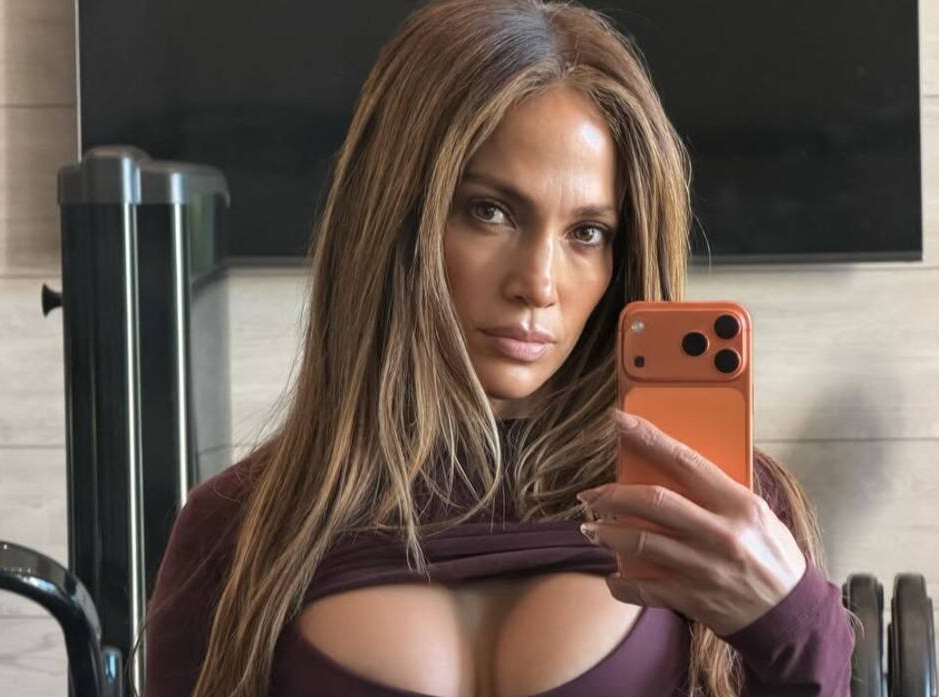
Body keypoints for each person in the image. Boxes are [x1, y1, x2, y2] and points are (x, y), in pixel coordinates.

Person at [137, 1, 857, 695]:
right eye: (490, 212)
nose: (537, 284)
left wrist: (794, 626)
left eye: (587, 233)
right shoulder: (239, 528)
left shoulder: (719, 508)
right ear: (396, 218)